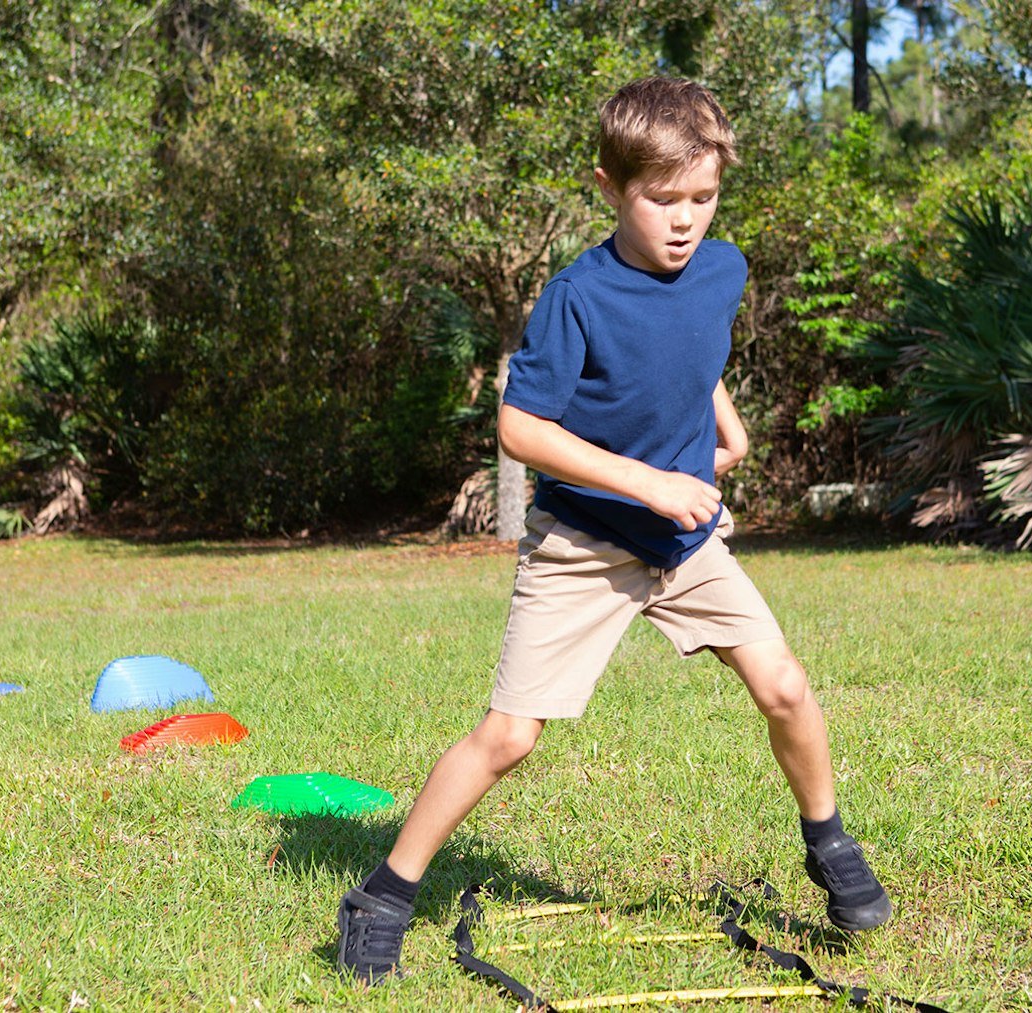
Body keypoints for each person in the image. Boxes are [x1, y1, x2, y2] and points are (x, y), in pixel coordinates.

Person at [334, 77, 890, 985]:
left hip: (683, 539)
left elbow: (691, 350)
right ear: (608, 186)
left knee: (785, 685)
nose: (684, 221)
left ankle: (829, 845)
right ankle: (384, 893)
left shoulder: (724, 268)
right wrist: (647, 481)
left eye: (702, 198)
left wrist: (727, 428)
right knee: (511, 735)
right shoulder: (576, 295)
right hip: (584, 543)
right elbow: (523, 429)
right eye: (660, 199)